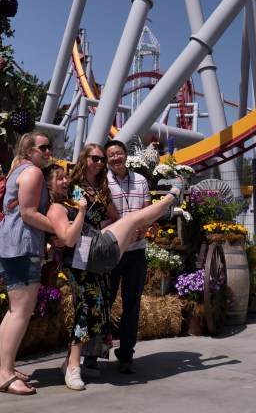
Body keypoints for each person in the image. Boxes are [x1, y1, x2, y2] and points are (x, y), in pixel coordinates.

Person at [45, 156, 185, 383]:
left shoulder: (71, 201)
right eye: (59, 179)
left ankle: (73, 360)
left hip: (93, 259)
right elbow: (68, 239)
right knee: (85, 312)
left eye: (65, 177)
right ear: (49, 186)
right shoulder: (56, 208)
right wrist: (81, 212)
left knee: (95, 312)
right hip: (86, 261)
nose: (65, 181)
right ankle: (72, 367)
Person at [0, 131, 61, 396]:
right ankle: (6, 375)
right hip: (21, 245)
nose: (48, 151)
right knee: (21, 311)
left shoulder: (19, 169)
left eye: (49, 147)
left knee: (13, 310)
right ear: (29, 150)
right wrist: (59, 228)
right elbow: (28, 213)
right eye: (42, 147)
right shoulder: (33, 173)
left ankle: (0, 367)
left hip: (9, 244)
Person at [51, 145, 119, 389]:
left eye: (102, 159)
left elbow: (114, 216)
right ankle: (72, 367)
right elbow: (57, 210)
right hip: (77, 254)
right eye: (95, 158)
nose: (100, 163)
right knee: (86, 305)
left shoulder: (102, 189)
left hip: (96, 255)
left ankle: (73, 361)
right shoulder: (72, 184)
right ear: (84, 158)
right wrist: (54, 237)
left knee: (98, 307)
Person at [104, 137, 151, 374]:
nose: (115, 158)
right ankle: (97, 351)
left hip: (136, 252)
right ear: (107, 159)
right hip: (112, 252)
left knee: (132, 304)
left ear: (125, 155)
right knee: (105, 302)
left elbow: (147, 212)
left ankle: (126, 355)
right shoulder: (103, 182)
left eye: (118, 153)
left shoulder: (141, 180)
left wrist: (139, 232)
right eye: (111, 155)